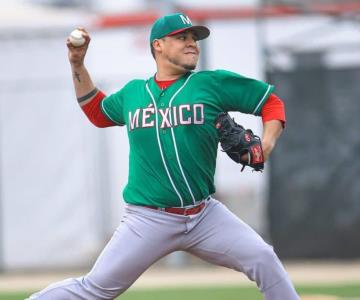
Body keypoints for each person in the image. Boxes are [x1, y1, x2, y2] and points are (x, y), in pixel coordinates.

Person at [28, 12, 300, 300]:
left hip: (205, 215)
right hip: (147, 219)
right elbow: (97, 111)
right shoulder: (134, 93)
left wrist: (266, 144)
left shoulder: (211, 84)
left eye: (194, 38)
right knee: (95, 289)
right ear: (158, 45)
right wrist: (77, 64)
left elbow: (271, 102)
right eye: (182, 37)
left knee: (263, 259)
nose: (192, 43)